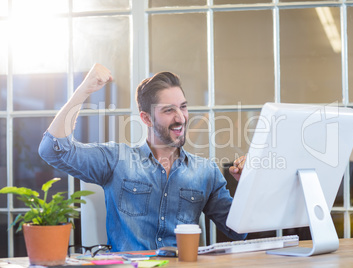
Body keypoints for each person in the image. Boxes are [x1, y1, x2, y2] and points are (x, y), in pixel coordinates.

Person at [38, 63, 247, 252]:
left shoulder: (205, 171)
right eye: (168, 110)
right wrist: (84, 90)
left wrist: (248, 184)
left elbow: (238, 231)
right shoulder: (116, 160)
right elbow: (52, 149)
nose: (180, 117)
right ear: (146, 118)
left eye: (183, 107)